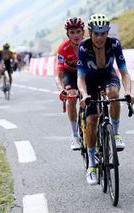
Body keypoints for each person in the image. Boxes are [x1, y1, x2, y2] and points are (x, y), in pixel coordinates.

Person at [77, 14, 134, 185]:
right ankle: (92, 166)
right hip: (90, 81)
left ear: (107, 33)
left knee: (114, 95)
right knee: (92, 119)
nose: (100, 38)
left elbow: (124, 72)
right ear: (90, 33)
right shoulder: (83, 47)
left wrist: (129, 92)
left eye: (103, 34)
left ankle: (115, 134)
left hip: (108, 76)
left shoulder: (114, 44)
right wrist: (84, 94)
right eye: (96, 34)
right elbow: (80, 77)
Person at [56, 17, 85, 150]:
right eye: (72, 32)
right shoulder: (63, 48)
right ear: (68, 34)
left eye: (78, 31)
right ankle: (74, 136)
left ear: (83, 32)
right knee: (72, 97)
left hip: (86, 73)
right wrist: (62, 90)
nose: (75, 35)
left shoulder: (89, 45)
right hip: (70, 74)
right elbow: (60, 74)